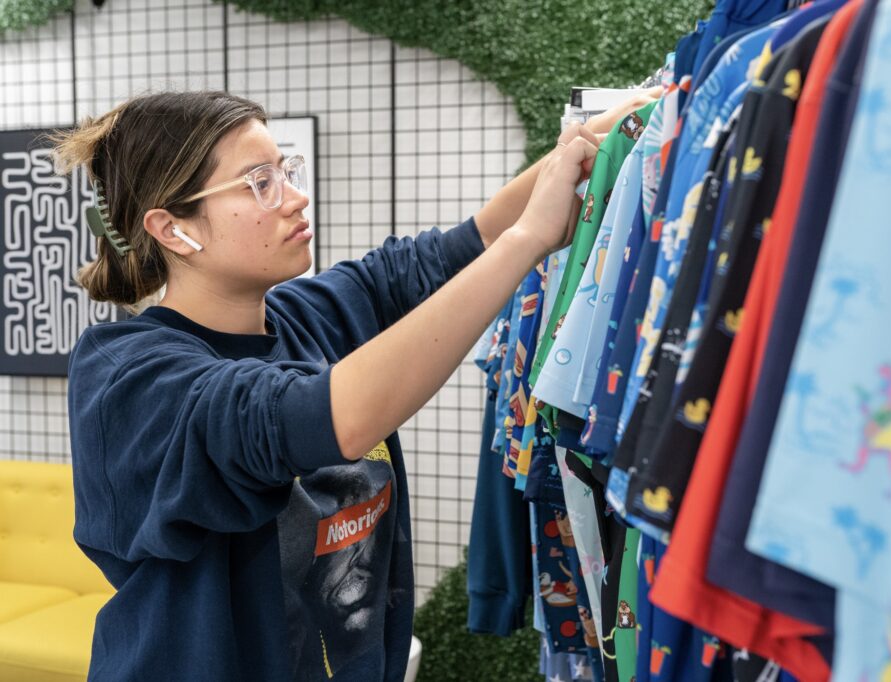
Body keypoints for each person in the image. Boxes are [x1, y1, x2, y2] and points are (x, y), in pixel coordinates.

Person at [59, 88, 657, 681]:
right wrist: (528, 240)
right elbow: (313, 418)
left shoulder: (307, 315)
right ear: (171, 228)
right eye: (260, 182)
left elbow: (457, 247)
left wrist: (591, 146)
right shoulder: (128, 376)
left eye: (284, 170)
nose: (295, 198)